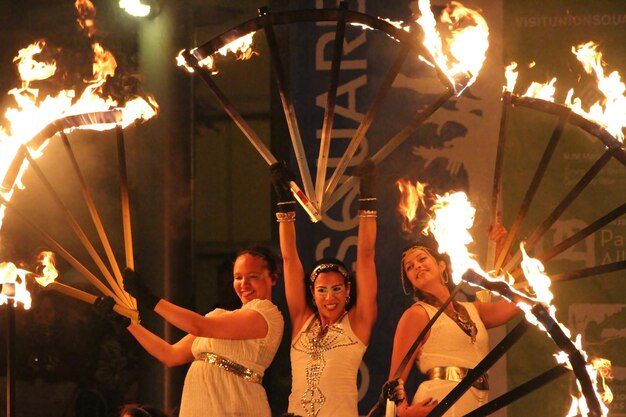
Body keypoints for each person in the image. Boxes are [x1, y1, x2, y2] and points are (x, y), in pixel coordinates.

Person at [95, 244, 284, 417]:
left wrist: (149, 299)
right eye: (238, 277)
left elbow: (199, 326)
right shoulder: (218, 316)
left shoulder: (266, 315)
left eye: (253, 277)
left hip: (235, 405)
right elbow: (170, 355)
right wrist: (126, 323)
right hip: (200, 405)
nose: (244, 284)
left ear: (273, 278)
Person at [269, 159, 378, 417]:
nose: (330, 297)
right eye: (322, 290)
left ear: (348, 290)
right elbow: (289, 258)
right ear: (312, 293)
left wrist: (368, 197)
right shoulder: (302, 320)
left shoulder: (358, 323)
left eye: (337, 289)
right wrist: (284, 202)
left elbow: (366, 256)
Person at [386, 233, 520, 417]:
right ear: (411, 282)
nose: (417, 265)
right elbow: (395, 380)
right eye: (409, 267)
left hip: (479, 402)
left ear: (442, 265)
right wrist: (404, 412)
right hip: (439, 402)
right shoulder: (416, 314)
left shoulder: (474, 309)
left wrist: (504, 248)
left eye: (422, 258)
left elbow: (519, 301)